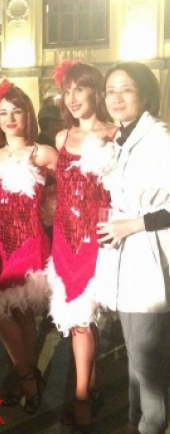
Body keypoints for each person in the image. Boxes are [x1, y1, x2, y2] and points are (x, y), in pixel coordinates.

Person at [0, 79, 58, 413]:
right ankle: (29, 373)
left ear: (28, 115)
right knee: (20, 316)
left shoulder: (42, 153)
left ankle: (25, 378)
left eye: (16, 111)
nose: (9, 118)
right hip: (1, 244)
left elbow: (70, 190)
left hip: (31, 242)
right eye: (3, 112)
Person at [95, 62, 170, 434]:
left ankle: (152, 424)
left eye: (126, 89)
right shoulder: (122, 138)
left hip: (149, 258)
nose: (116, 97)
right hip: (124, 259)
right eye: (110, 90)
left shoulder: (160, 138)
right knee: (133, 355)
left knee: (148, 359)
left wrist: (133, 224)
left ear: (145, 93)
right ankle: (133, 422)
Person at [46, 61, 117, 432]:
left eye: (80, 89)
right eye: (67, 90)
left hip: (98, 238)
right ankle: (91, 385)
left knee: (84, 322)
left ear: (96, 92)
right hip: (64, 238)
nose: (72, 98)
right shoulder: (61, 138)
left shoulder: (115, 133)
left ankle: (81, 398)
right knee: (80, 321)